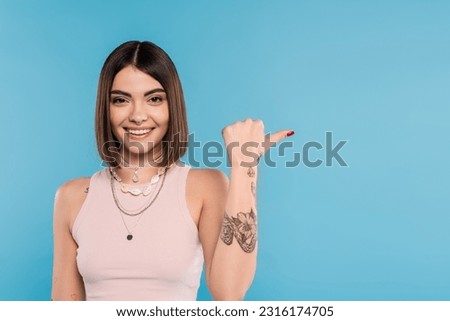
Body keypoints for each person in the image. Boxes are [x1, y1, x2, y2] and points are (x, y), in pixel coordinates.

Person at [51, 41, 294, 301]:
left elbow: (229, 292)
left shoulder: (204, 186)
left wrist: (245, 166)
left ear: (172, 105)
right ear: (105, 108)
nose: (138, 115)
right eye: (121, 100)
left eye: (154, 99)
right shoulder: (72, 196)